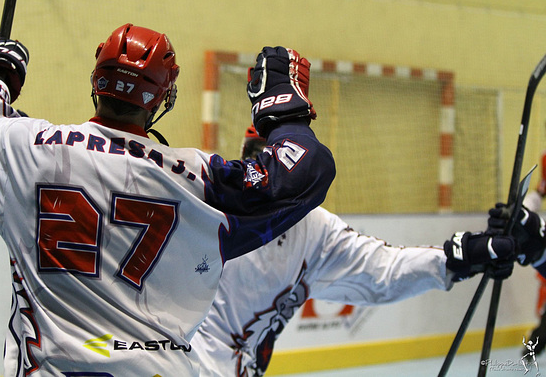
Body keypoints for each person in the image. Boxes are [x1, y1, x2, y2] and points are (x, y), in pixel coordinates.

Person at [0, 26, 336, 376]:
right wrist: (282, 108)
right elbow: (303, 174)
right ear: (160, 97)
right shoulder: (191, 177)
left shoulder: (24, 148)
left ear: (97, 82)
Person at [191, 126, 521, 377]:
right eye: (259, 156)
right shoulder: (206, 206)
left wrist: (456, 257)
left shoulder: (314, 229)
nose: (270, 172)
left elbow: (382, 271)